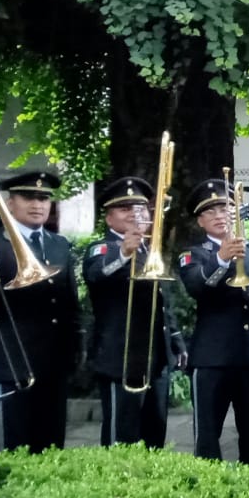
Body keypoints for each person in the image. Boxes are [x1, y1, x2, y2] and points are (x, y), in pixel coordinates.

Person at [0, 170, 80, 459]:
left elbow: (69, 304)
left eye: (44, 198)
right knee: (8, 452)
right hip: (10, 362)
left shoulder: (59, 244)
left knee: (50, 449)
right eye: (28, 198)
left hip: (52, 364)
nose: (38, 204)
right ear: (10, 204)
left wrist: (74, 350)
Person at [179, 177, 249, 466]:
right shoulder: (194, 255)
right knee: (208, 436)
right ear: (200, 221)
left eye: (225, 209)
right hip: (213, 356)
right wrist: (222, 259)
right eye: (210, 212)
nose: (219, 216)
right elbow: (196, 288)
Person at [84, 176, 180, 448]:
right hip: (121, 358)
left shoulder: (151, 248)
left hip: (155, 358)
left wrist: (175, 341)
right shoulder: (102, 248)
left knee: (155, 434)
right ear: (109, 217)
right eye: (125, 209)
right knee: (121, 437)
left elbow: (161, 301)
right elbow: (96, 274)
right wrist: (124, 253)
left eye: (140, 208)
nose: (135, 214)